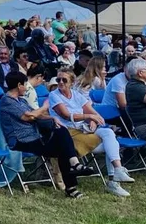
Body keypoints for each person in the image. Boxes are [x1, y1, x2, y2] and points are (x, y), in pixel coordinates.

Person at [0, 70, 95, 198]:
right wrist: (45, 106)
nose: (27, 88)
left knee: (62, 133)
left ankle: (74, 169)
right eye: (25, 85)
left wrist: (52, 118)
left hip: (35, 137)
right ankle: (72, 181)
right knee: (62, 145)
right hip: (21, 141)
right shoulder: (7, 101)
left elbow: (36, 115)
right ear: (19, 85)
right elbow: (29, 117)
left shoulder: (21, 101)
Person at [49, 68, 134, 197]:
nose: (60, 82)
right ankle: (114, 181)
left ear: (71, 82)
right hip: (68, 133)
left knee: (109, 135)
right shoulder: (54, 95)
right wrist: (88, 117)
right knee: (110, 143)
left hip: (84, 130)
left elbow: (93, 112)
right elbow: (66, 115)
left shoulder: (76, 94)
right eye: (58, 79)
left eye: (64, 80)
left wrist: (94, 120)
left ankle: (117, 171)